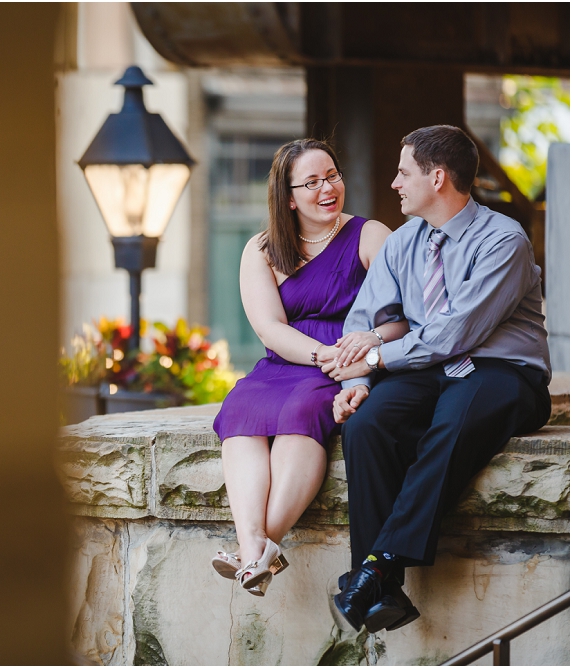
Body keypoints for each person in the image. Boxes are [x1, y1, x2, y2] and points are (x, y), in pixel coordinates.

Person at [325, 125, 552, 633]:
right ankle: (384, 592)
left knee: (453, 420)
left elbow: (455, 333)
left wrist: (377, 363)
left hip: (503, 372)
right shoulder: (403, 242)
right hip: (429, 366)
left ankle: (376, 567)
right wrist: (354, 385)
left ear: (438, 176)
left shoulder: (503, 239)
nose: (394, 184)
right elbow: (364, 320)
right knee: (366, 426)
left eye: (404, 172)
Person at [209, 138, 407, 596]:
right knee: (240, 413)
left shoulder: (370, 234)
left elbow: (403, 312)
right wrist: (320, 353)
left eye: (332, 176)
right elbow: (268, 327)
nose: (327, 188)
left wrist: (348, 355)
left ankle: (254, 553)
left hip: (346, 364)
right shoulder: (261, 249)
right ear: (289, 196)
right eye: (312, 181)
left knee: (301, 412)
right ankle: (254, 547)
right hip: (289, 361)